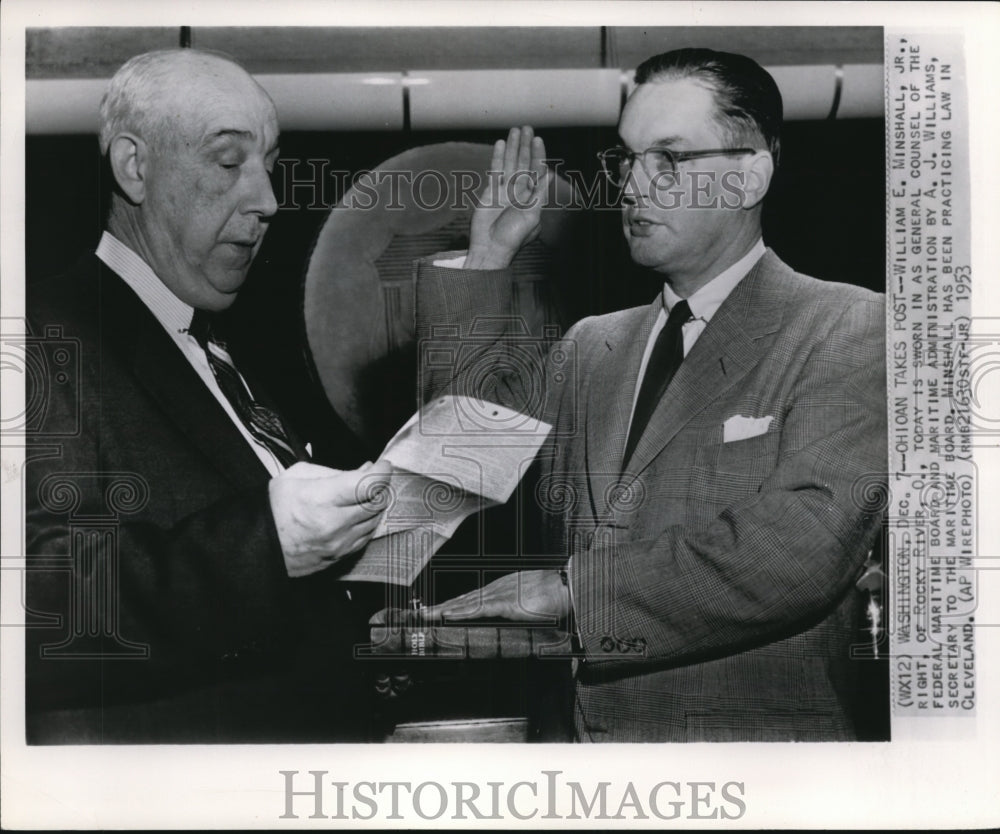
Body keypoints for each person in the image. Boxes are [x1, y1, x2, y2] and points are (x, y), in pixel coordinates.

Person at [417, 48, 887, 741]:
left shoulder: (849, 327)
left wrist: (577, 592)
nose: (633, 186)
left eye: (669, 159)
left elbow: (797, 547)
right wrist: (489, 261)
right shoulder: (591, 346)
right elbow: (456, 461)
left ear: (749, 174)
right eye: (627, 160)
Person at [24, 48, 391, 743]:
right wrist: (270, 541)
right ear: (135, 167)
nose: (268, 200)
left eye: (270, 165)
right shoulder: (40, 336)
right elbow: (37, 604)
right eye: (228, 163)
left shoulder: (218, 346)